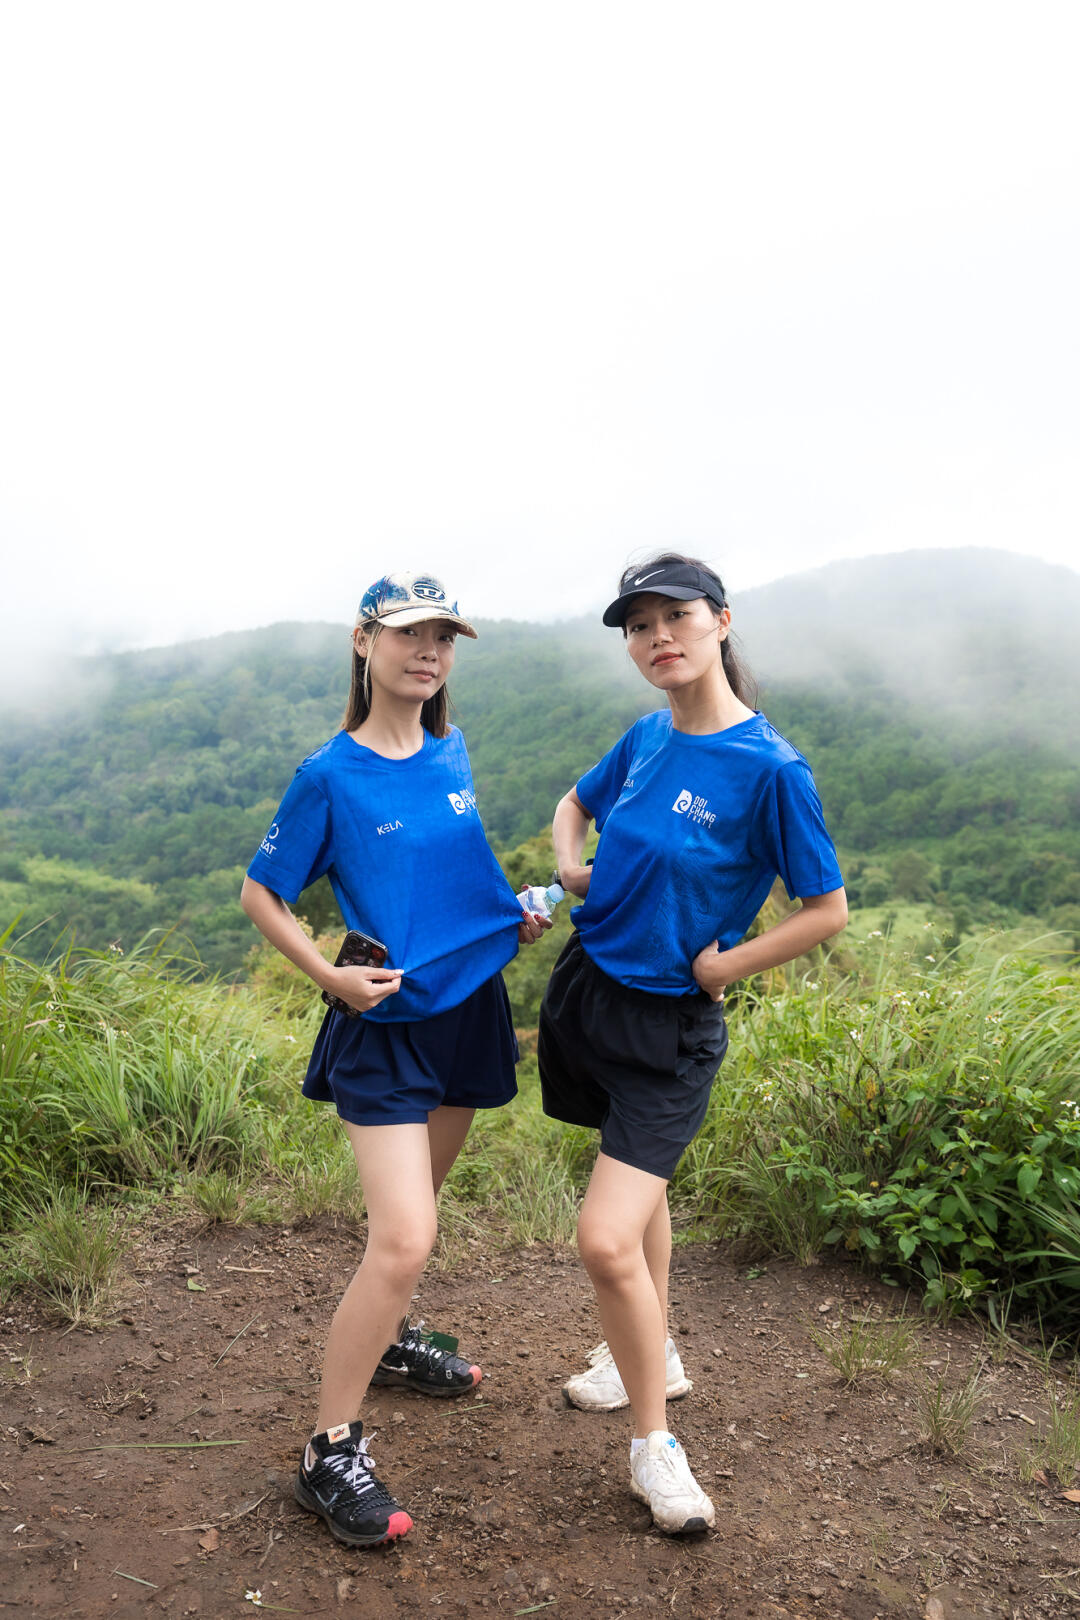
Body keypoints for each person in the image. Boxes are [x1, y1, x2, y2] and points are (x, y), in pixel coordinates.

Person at [539, 553, 847, 1535]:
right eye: (639, 625)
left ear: (721, 620)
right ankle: (655, 1352)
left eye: (675, 615)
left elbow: (826, 908)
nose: (657, 636)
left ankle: (653, 1445)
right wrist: (571, 867)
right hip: (593, 993)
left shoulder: (770, 769)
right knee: (642, 1190)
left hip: (672, 1022)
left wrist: (727, 968)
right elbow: (574, 803)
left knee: (603, 1237)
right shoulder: (647, 736)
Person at [241, 571, 549, 1549]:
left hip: (470, 1010)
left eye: (444, 638)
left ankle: (388, 1340)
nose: (430, 652)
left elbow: (452, 877)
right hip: (382, 1024)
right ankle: (328, 1450)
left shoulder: (453, 749)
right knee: (405, 1238)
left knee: (416, 1218)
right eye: (411, 634)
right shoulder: (329, 774)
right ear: (364, 642)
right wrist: (327, 976)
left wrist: (510, 919)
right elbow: (261, 892)